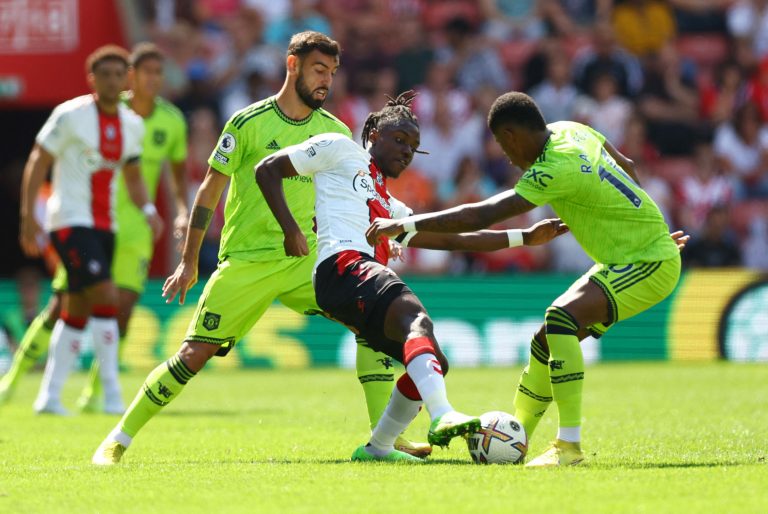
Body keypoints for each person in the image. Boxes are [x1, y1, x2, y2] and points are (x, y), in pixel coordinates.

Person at [91, 31, 423, 465]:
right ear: (292, 66)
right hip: (248, 261)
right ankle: (118, 439)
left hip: (309, 261)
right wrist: (189, 260)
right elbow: (209, 191)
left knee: (371, 322)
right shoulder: (247, 122)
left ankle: (385, 440)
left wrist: (378, 234)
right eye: (318, 70)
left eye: (332, 73)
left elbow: (355, 193)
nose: (326, 81)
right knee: (194, 354)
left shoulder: (335, 131)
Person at [367, 92, 689, 467]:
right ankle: (514, 437)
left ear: (511, 135)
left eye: (504, 146)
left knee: (561, 319)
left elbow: (479, 217)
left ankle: (568, 446)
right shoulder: (573, 131)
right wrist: (650, 225)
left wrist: (402, 225)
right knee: (545, 340)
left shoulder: (552, 168)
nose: (507, 156)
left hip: (647, 260)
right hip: (633, 257)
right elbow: (627, 166)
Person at [255, 91, 569, 461]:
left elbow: (455, 239)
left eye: (414, 146)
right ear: (373, 135)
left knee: (434, 359)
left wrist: (523, 237)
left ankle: (378, 447)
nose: (406, 151)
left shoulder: (391, 206)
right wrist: (290, 228)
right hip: (341, 264)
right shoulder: (338, 148)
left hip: (352, 280)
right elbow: (267, 169)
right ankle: (442, 415)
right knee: (412, 314)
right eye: (400, 140)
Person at [0, 43, 188, 414]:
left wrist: (149, 209)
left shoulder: (133, 126)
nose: (114, 81)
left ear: (125, 79)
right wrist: (28, 215)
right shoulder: (70, 115)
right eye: (107, 75)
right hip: (69, 221)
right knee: (104, 298)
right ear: (93, 79)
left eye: (119, 74)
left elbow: (134, 176)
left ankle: (49, 396)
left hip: (109, 227)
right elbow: (39, 160)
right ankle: (112, 396)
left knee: (75, 308)